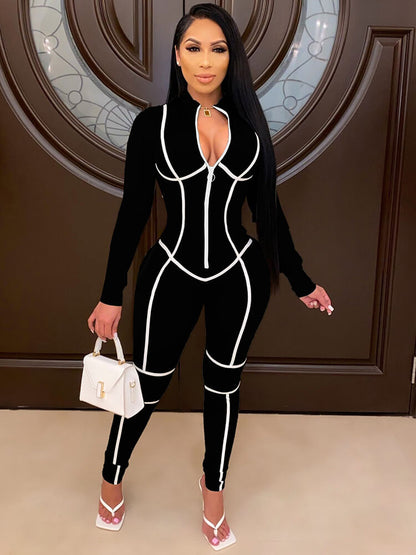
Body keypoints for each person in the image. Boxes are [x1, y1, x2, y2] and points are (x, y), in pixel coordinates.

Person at [87, 3, 334, 549]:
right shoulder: (152, 125)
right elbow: (133, 212)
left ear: (231, 58)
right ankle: (111, 477)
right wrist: (110, 294)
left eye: (218, 49)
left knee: (223, 385)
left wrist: (301, 280)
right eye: (194, 48)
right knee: (148, 383)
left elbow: (268, 213)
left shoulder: (250, 131)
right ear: (177, 56)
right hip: (169, 273)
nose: (205, 61)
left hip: (239, 276)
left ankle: (214, 490)